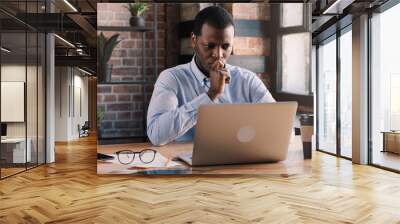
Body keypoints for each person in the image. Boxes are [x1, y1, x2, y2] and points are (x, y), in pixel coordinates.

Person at [147, 6, 275, 146]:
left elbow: (281, 127)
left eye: (226, 46)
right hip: (185, 164)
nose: (218, 54)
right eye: (210, 46)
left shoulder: (248, 80)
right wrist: (211, 95)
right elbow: (156, 135)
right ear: (194, 40)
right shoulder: (171, 78)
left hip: (239, 162)